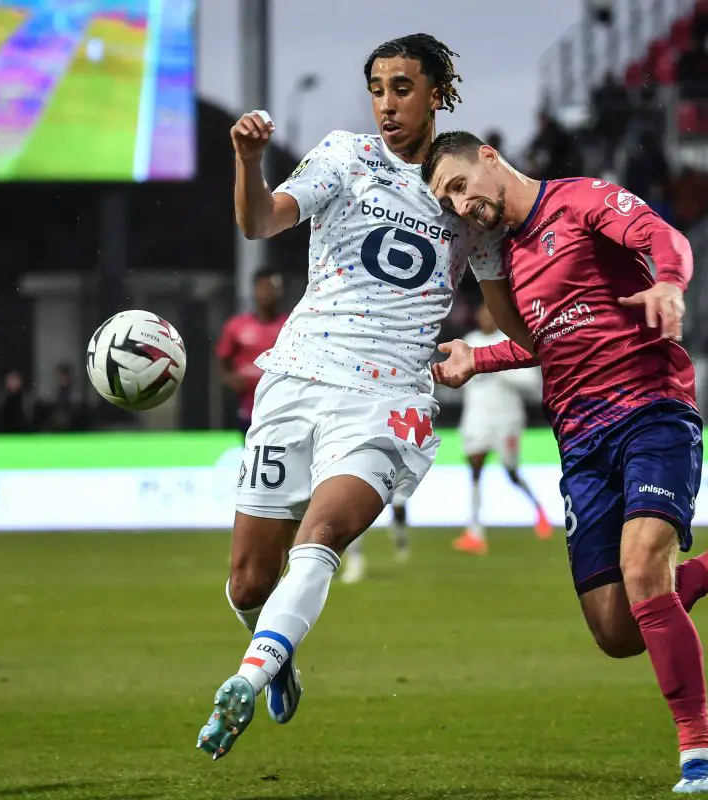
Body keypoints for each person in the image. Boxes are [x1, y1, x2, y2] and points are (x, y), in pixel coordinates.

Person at [422, 132, 708, 794]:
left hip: (651, 410)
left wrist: (669, 284)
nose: (461, 203)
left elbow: (665, 238)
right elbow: (552, 339)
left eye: (462, 184)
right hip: (580, 441)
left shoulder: (581, 201)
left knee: (643, 567)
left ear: (490, 157)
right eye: (448, 199)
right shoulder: (506, 262)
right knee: (617, 630)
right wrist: (479, 357)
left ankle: (700, 755)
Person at [197, 34, 512, 760]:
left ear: (439, 92)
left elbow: (512, 314)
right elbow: (259, 221)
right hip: (298, 378)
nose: (386, 104)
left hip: (388, 398)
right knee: (248, 582)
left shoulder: (467, 189)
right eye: (377, 88)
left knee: (322, 536)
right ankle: (275, 651)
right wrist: (249, 161)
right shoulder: (345, 155)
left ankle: (246, 679)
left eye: (402, 87)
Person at [452, 301, 551, 555]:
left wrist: (495, 365)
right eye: (482, 313)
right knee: (474, 469)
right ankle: (474, 533)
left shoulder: (510, 340)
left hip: (506, 420)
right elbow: (464, 384)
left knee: (511, 472)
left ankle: (539, 510)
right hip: (476, 419)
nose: (486, 318)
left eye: (490, 313)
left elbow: (530, 383)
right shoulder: (470, 340)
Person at [215, 267, 288, 438]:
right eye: (263, 287)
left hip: (282, 405)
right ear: (255, 291)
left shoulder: (289, 325)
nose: (268, 293)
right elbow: (222, 358)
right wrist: (231, 379)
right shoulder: (237, 326)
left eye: (272, 288)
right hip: (247, 406)